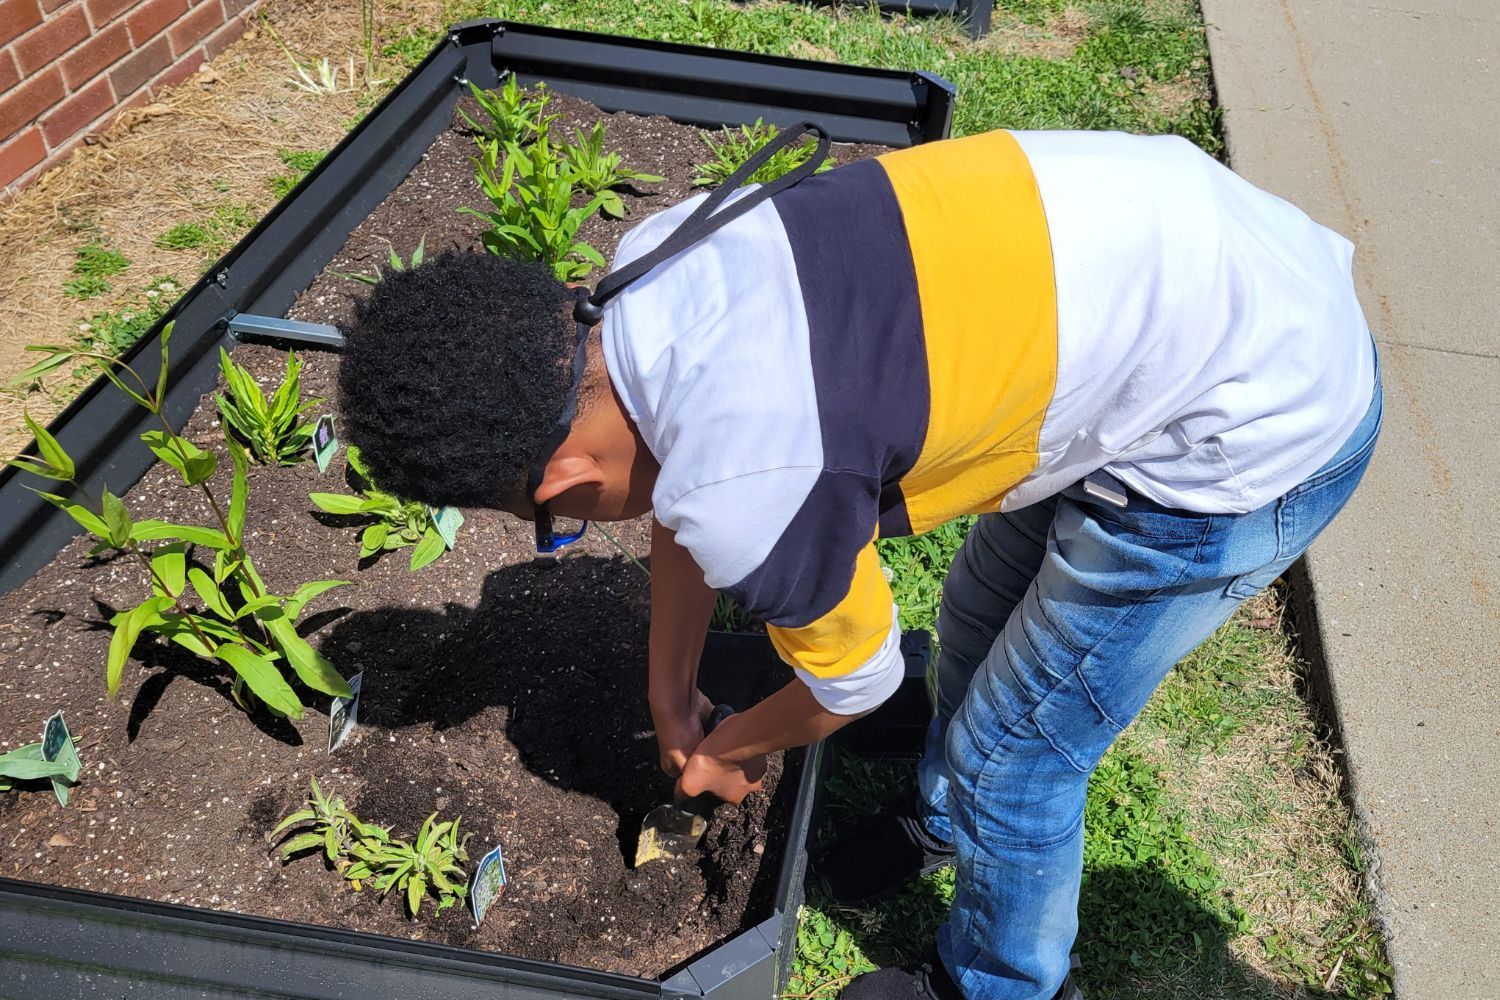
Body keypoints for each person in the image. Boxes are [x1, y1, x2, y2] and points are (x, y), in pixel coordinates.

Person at [335, 127, 1380, 1000]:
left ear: (560, 475)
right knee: (975, 622)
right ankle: (938, 814)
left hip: (1249, 421)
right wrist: (670, 697)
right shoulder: (642, 283)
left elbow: (855, 676)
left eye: (552, 521)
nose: (567, 527)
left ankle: (996, 983)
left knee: (1018, 760)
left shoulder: (751, 468)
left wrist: (734, 748)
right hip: (1153, 291)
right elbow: (681, 489)